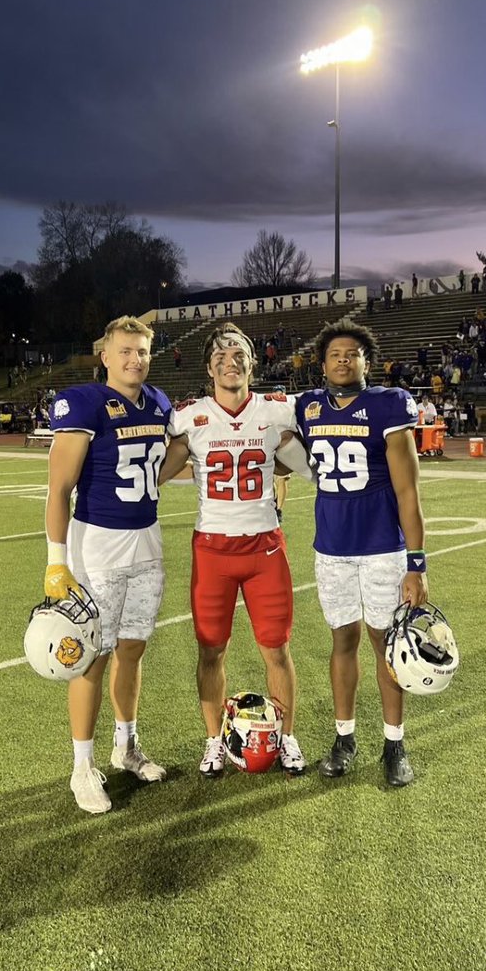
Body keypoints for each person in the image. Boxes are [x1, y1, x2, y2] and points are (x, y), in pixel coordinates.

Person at [159, 321, 313, 778]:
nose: (231, 362)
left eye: (239, 355)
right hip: (213, 550)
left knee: (277, 650)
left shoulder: (275, 411)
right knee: (211, 651)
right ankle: (213, 739)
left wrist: (318, 471)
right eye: (221, 357)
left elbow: (311, 459)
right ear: (209, 368)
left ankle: (286, 736)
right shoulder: (189, 417)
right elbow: (153, 470)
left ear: (252, 364)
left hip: (265, 547)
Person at [293, 317, 430, 788]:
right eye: (334, 354)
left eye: (352, 353)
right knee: (342, 641)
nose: (343, 360)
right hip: (331, 548)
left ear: (367, 362)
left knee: (385, 643)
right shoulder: (308, 406)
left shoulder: (388, 404)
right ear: (322, 364)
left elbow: (408, 491)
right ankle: (345, 738)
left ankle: (394, 743)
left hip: (380, 549)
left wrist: (416, 563)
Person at [43, 315, 171, 815]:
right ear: (105, 356)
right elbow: (58, 489)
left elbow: (160, 465)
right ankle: (82, 766)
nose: (135, 359)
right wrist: (56, 562)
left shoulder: (158, 402)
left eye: (142, 351)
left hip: (147, 543)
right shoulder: (86, 402)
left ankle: (126, 745)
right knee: (91, 658)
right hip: (98, 546)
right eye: (125, 351)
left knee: (132, 650)